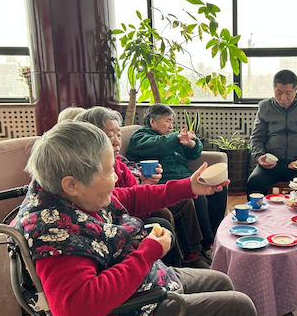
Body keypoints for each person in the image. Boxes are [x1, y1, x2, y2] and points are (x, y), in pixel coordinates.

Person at [14, 122, 258, 316]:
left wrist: (189, 186)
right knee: (241, 310)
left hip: (138, 297)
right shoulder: (54, 232)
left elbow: (128, 196)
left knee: (220, 281)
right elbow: (77, 311)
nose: (116, 177)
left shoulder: (69, 195)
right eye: (110, 171)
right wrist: (147, 253)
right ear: (72, 183)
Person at [75, 106, 209, 268]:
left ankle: (195, 252)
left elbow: (134, 196)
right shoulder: (143, 137)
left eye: (118, 134)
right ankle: (179, 264)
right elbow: (123, 203)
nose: (117, 141)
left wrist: (190, 144)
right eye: (109, 135)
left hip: (139, 209)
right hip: (116, 230)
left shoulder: (120, 166)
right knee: (164, 217)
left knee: (182, 203)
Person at [125, 104, 226, 258]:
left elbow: (194, 153)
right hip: (167, 184)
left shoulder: (170, 138)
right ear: (152, 121)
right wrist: (178, 138)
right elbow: (161, 144)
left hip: (185, 178)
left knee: (220, 187)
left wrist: (191, 142)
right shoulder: (140, 138)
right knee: (196, 195)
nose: (171, 126)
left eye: (172, 122)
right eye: (168, 121)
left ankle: (216, 234)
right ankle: (207, 243)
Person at [247, 69, 297, 197]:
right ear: (273, 89)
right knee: (254, 182)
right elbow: (256, 138)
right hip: (272, 165)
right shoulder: (264, 107)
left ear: (296, 89)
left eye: (288, 93)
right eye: (279, 93)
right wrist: (259, 156)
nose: (283, 98)